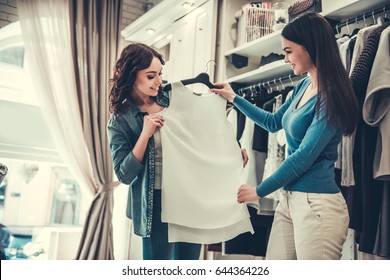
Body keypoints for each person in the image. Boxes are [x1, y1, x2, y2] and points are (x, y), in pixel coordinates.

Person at [210, 12, 358, 260]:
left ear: (310, 47)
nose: (285, 58)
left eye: (289, 51)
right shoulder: (303, 86)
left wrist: (259, 190)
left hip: (318, 205)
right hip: (289, 199)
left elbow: (302, 158)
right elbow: (272, 122)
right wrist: (234, 98)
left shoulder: (330, 98)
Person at [107, 43, 248, 259]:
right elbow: (124, 175)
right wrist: (145, 134)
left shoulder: (175, 97)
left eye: (160, 74)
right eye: (150, 76)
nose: (158, 81)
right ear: (131, 75)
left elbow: (204, 134)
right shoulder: (120, 120)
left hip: (190, 194)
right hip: (155, 203)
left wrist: (233, 150)